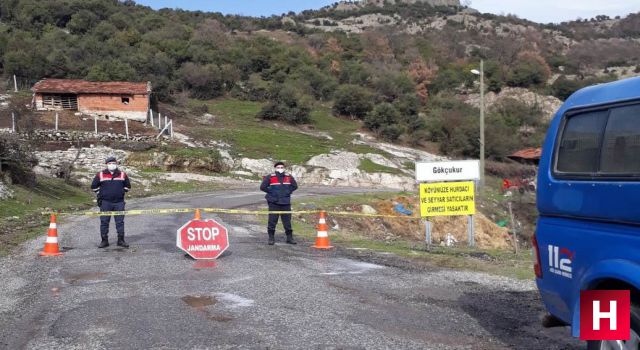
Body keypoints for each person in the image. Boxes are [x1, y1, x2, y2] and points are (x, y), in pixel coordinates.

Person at [91, 156, 131, 248]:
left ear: (116, 164)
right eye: (109, 163)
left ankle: (121, 240)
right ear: (106, 164)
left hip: (119, 203)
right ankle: (104, 241)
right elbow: (93, 186)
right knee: (104, 222)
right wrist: (100, 194)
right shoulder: (100, 175)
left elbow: (128, 186)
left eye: (113, 163)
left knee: (120, 222)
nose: (111, 165)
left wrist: (121, 192)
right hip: (105, 203)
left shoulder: (122, 175)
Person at [260, 161, 298, 245]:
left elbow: (295, 186)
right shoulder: (270, 177)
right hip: (274, 202)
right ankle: (271, 238)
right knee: (272, 221)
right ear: (275, 168)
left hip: (285, 202)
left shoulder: (288, 177)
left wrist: (288, 191)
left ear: (284, 168)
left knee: (287, 221)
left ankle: (289, 238)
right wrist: (271, 192)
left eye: (281, 167)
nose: (280, 169)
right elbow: (262, 187)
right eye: (278, 167)